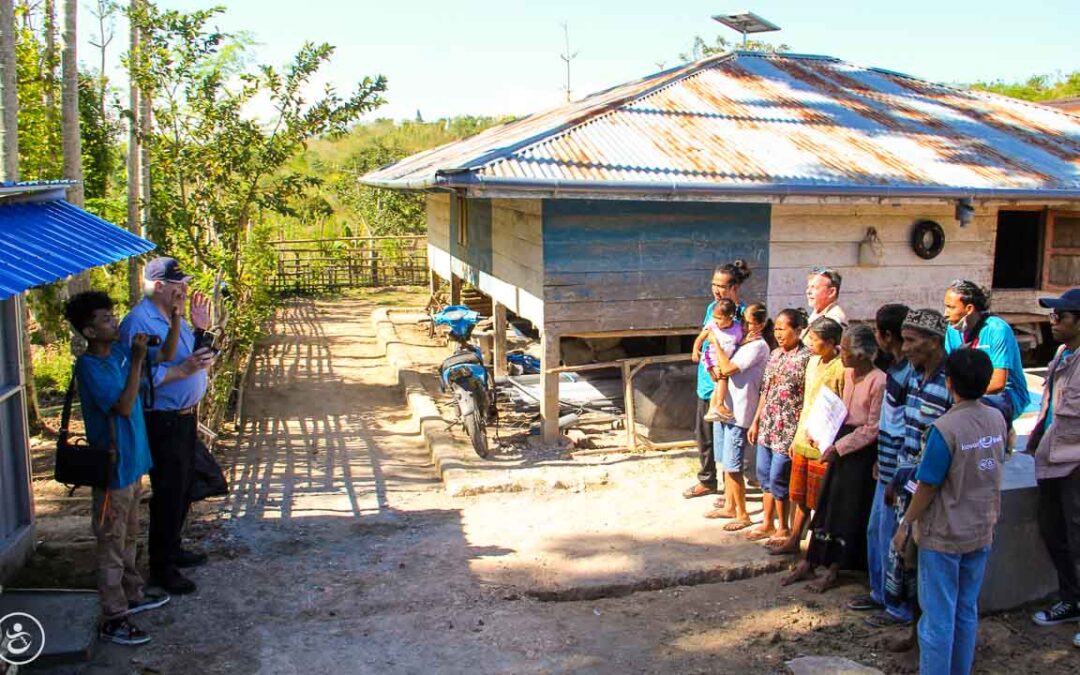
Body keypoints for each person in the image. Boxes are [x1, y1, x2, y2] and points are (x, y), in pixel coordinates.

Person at [64, 292, 172, 646]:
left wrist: (176, 318)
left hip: (133, 464)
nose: (115, 323)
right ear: (90, 331)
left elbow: (167, 356)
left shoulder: (122, 354)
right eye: (107, 319)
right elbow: (124, 407)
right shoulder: (90, 367)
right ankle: (113, 615)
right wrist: (138, 360)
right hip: (112, 470)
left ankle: (132, 594)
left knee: (128, 536)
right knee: (110, 542)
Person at [892, 348, 1006, 675]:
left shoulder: (945, 428)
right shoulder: (996, 418)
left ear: (950, 381)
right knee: (966, 610)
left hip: (944, 536)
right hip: (981, 528)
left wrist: (905, 524)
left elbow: (927, 484)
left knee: (938, 618)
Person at [119, 257, 215, 594]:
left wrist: (202, 332)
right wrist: (184, 371)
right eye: (178, 284)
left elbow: (192, 356)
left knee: (185, 486)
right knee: (169, 491)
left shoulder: (175, 318)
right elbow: (139, 377)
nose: (185, 290)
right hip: (162, 420)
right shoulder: (138, 323)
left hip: (185, 417)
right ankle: (162, 567)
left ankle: (173, 549)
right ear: (159, 286)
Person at [869, 309, 952, 648]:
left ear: (934, 342)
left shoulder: (949, 382)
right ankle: (914, 634)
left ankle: (924, 648)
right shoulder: (916, 377)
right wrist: (894, 478)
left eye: (912, 341)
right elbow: (908, 436)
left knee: (924, 569)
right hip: (907, 482)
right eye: (903, 339)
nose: (905, 348)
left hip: (931, 491)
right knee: (908, 564)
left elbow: (942, 448)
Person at [783, 324, 885, 592]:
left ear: (864, 354)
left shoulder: (879, 380)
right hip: (839, 439)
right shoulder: (849, 374)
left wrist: (841, 446)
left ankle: (834, 569)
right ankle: (811, 560)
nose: (843, 355)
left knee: (847, 510)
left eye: (848, 350)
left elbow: (872, 427)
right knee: (825, 504)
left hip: (859, 452)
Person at [849, 304, 915, 625]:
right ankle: (879, 592)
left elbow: (909, 430)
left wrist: (898, 474)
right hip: (885, 467)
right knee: (876, 530)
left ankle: (896, 606)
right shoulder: (895, 369)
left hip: (899, 476)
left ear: (888, 335)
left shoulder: (908, 376)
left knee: (893, 539)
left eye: (877, 330)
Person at [1026, 288, 1080, 648]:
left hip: (1075, 463)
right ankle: (1071, 599)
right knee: (1054, 532)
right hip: (1051, 459)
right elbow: (1049, 404)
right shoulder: (1062, 354)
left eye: (1061, 316)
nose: (1053, 321)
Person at [769, 317, 845, 556]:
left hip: (825, 440)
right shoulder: (812, 363)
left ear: (831, 342)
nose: (810, 343)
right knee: (800, 494)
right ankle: (794, 538)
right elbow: (806, 402)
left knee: (819, 499)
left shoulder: (842, 367)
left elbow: (841, 408)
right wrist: (796, 437)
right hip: (804, 435)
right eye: (810, 338)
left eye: (815, 339)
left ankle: (815, 549)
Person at [684, 260, 751, 499]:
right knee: (704, 435)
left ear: (734, 287)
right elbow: (706, 336)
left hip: (727, 384)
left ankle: (729, 488)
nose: (715, 290)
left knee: (727, 438)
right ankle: (706, 480)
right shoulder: (712, 307)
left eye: (721, 286)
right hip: (707, 380)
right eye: (713, 284)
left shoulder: (744, 314)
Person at [701, 304, 772, 530]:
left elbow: (729, 368)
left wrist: (714, 343)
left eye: (750, 322)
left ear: (760, 325)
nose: (744, 325)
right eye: (743, 321)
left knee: (733, 465)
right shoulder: (742, 343)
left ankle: (742, 514)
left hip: (740, 412)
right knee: (724, 461)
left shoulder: (758, 346)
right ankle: (730, 505)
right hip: (726, 409)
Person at [746, 309, 812, 544]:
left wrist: (801, 434)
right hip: (768, 424)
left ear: (797, 330)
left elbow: (808, 397)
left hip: (789, 427)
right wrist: (755, 421)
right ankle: (767, 522)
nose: (779, 333)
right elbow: (766, 390)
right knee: (764, 475)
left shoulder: (807, 358)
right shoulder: (774, 355)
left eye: (783, 329)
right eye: (777, 329)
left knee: (778, 477)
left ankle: (783, 528)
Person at [942, 280, 1030, 425]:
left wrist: (962, 400)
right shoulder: (952, 330)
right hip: (965, 393)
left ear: (969, 308)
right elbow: (948, 371)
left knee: (968, 415)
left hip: (1005, 395)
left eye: (951, 307)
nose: (945, 313)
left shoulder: (997, 329)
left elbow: (998, 383)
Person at [692, 299, 743, 422]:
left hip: (724, 360)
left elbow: (741, 342)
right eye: (714, 317)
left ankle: (712, 410)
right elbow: (700, 338)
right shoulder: (712, 325)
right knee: (722, 377)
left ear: (730, 317)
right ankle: (719, 405)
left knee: (718, 384)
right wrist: (695, 350)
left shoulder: (737, 328)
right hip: (712, 357)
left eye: (719, 318)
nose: (716, 320)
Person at [805, 267, 848, 331]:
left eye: (814, 287)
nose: (808, 292)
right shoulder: (818, 313)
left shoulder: (834, 319)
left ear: (831, 292)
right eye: (808, 287)